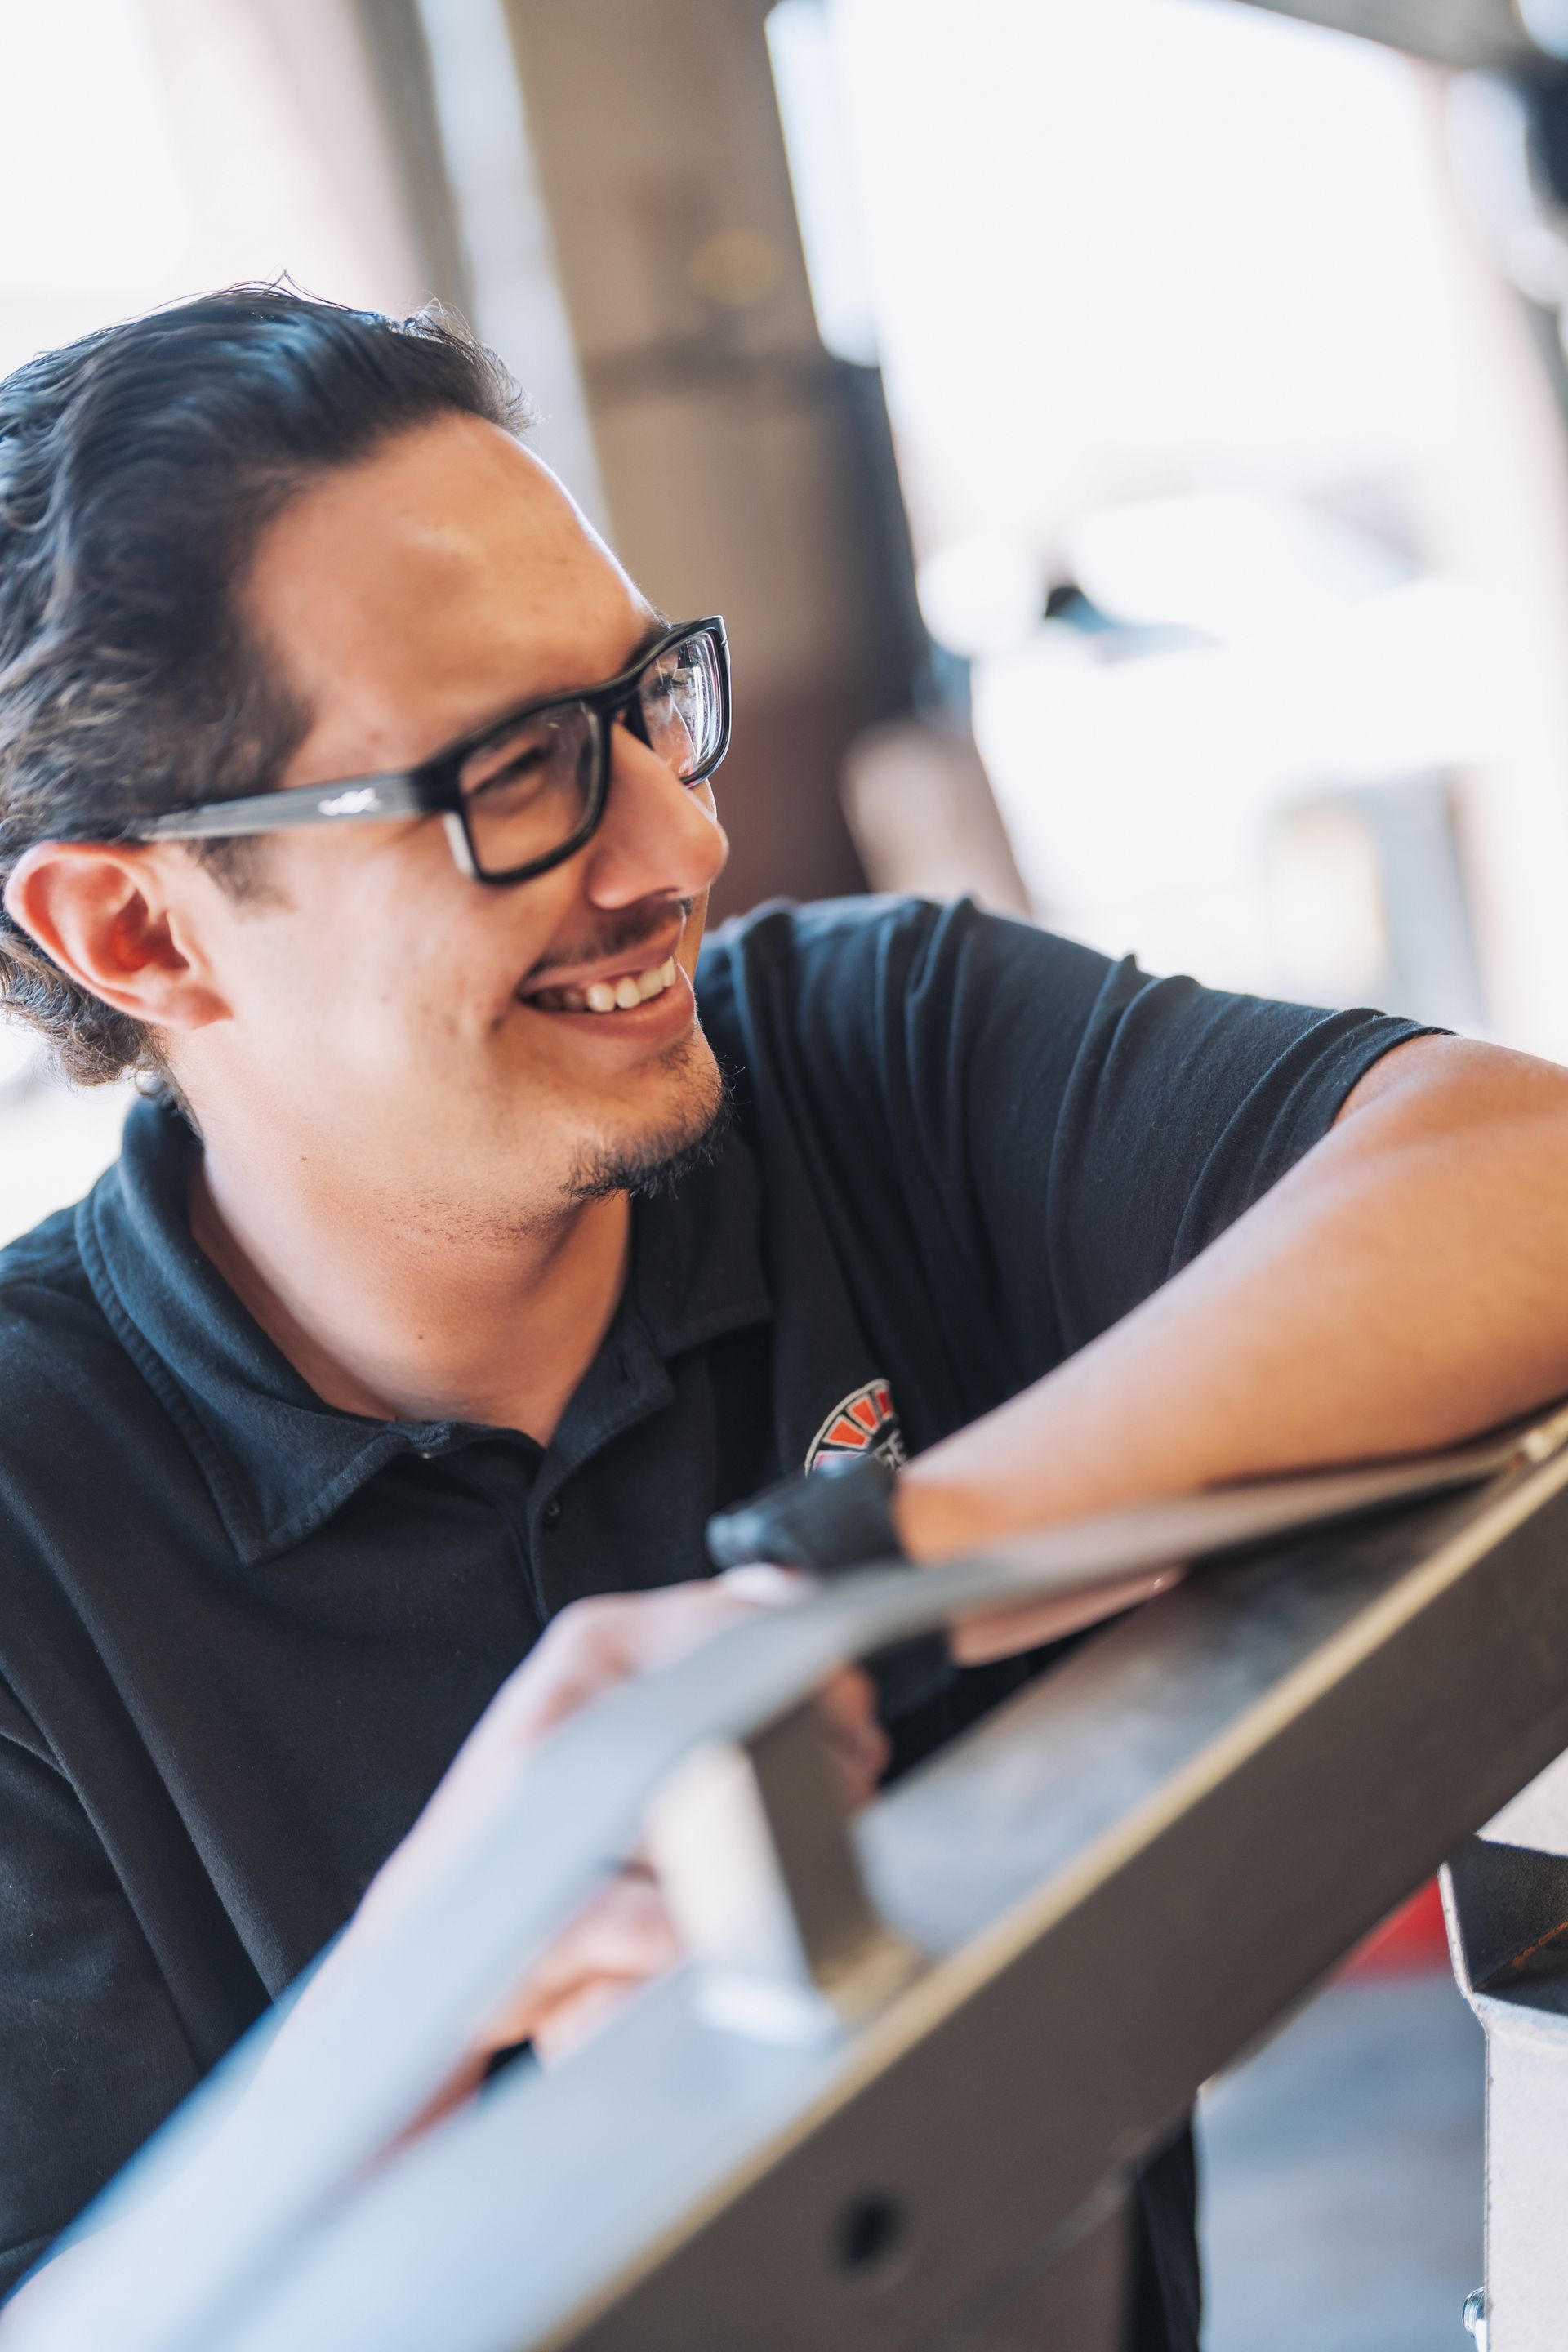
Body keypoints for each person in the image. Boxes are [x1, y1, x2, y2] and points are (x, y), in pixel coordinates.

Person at [2, 289, 1567, 2350]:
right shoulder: (32, 1528)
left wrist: (838, 1588)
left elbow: (1523, 1179)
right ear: (135, 925)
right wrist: (443, 1985)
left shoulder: (859, 1059)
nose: (683, 837)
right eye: (517, 775)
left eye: (648, 700)